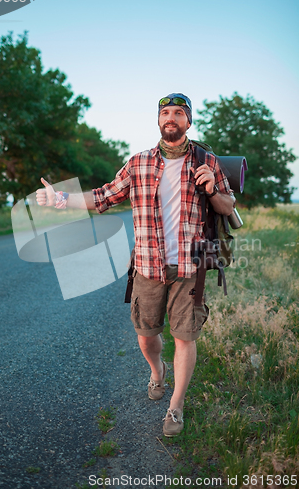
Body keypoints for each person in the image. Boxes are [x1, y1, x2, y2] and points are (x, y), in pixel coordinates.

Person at [36, 93, 234, 436]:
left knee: (185, 337)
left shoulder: (208, 162)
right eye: (165, 113)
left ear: (189, 121)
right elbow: (104, 196)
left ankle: (175, 408)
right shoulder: (139, 163)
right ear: (158, 121)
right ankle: (157, 372)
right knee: (146, 337)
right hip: (148, 266)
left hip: (191, 269)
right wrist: (59, 199)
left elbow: (228, 206)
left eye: (178, 113)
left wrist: (213, 188)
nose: (170, 118)